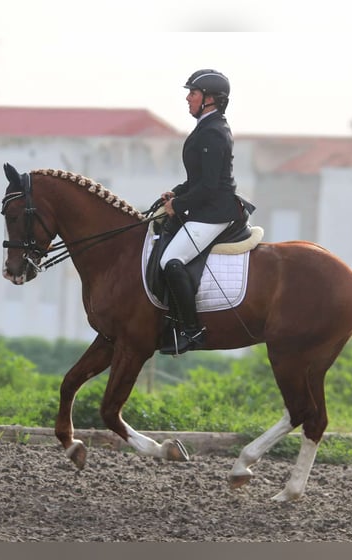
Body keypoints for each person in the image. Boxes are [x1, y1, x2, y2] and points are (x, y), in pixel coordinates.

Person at [159, 69, 240, 355]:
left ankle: (191, 331)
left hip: (215, 212)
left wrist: (178, 206)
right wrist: (177, 193)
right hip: (205, 206)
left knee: (171, 261)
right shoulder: (207, 126)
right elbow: (198, 180)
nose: (188, 98)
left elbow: (208, 187)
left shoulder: (214, 132)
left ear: (210, 99)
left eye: (192, 93)